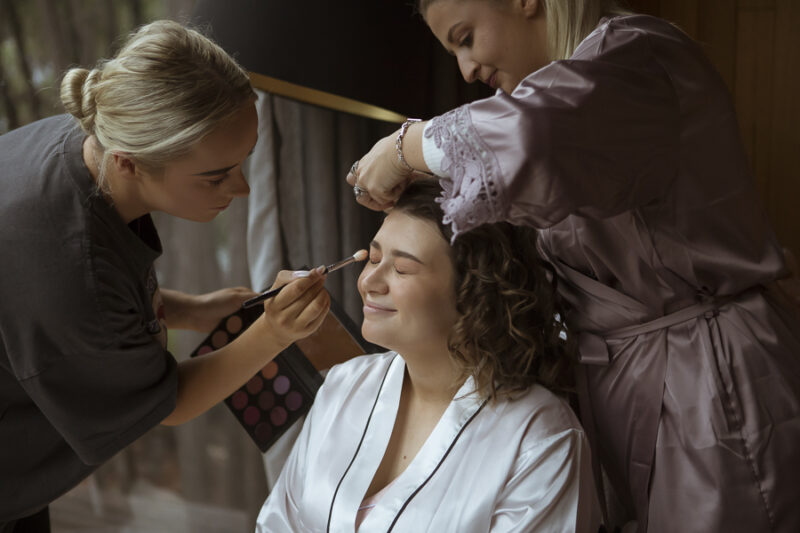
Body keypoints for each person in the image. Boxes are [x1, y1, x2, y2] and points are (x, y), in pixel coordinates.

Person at [345, 1, 800, 532]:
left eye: (466, 38)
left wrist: (405, 147)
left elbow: (532, 137)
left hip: (708, 386)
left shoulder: (636, 60)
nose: (466, 70)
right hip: (617, 387)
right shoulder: (552, 100)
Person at [0, 20, 330, 532]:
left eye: (243, 162)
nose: (240, 188)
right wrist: (274, 333)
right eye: (216, 175)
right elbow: (168, 402)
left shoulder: (90, 137)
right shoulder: (68, 267)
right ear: (131, 163)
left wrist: (193, 310)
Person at [255, 180, 599, 532]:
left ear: (474, 293)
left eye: (402, 269)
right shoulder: (345, 384)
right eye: (373, 258)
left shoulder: (539, 438)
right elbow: (278, 523)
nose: (369, 281)